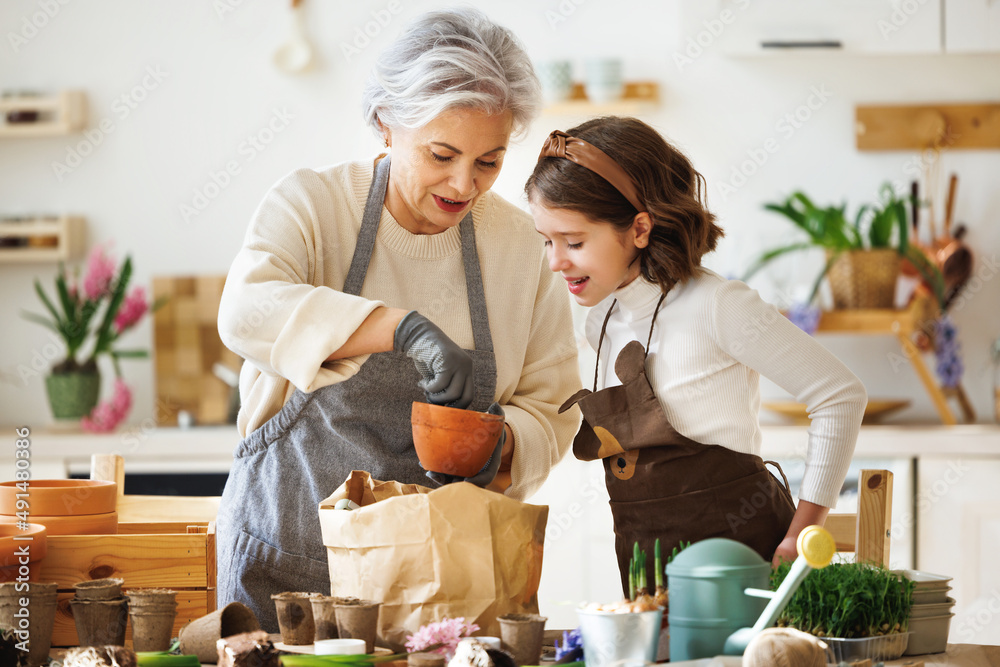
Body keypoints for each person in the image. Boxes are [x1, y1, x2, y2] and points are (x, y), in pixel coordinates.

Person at [216, 8, 581, 630]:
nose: (464, 184)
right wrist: (401, 329)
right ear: (387, 123)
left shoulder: (520, 248)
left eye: (489, 162)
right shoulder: (311, 206)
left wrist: (500, 446)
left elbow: (556, 404)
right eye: (442, 153)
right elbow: (247, 311)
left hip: (441, 588)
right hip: (289, 574)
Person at [526, 117, 866, 594]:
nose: (555, 261)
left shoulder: (718, 305)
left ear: (639, 228)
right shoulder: (600, 321)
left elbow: (840, 395)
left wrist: (802, 533)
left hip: (749, 571)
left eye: (574, 242)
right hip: (649, 585)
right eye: (547, 240)